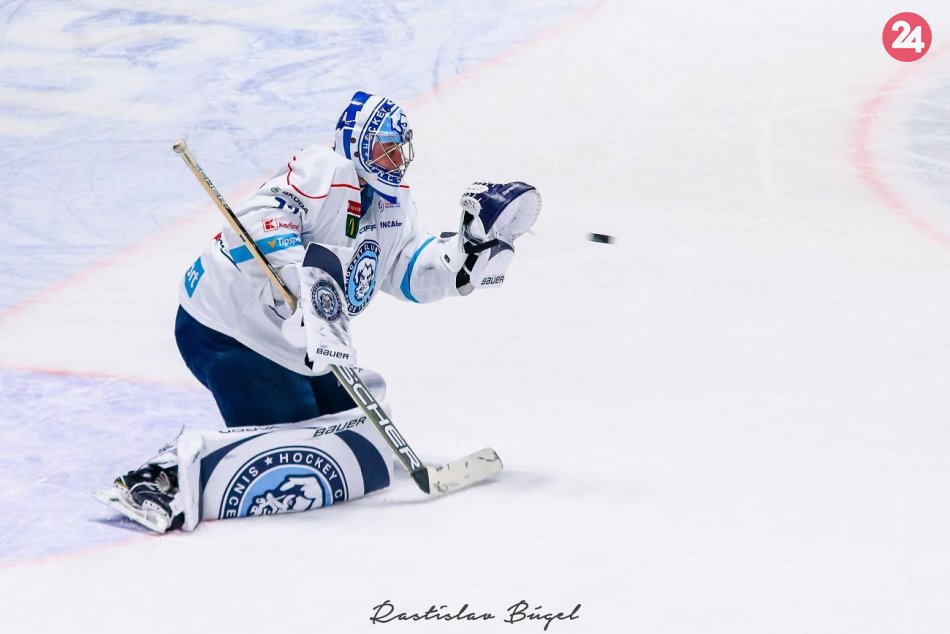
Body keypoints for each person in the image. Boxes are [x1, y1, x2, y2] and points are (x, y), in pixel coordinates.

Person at [95, 90, 542, 532]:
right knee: (297, 448)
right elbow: (257, 218)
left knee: (354, 434)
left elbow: (405, 266)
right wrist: (299, 278)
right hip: (227, 330)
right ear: (355, 145)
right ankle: (161, 478)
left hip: (296, 340)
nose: (393, 160)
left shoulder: (394, 205)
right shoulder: (324, 169)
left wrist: (462, 256)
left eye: (398, 150)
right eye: (383, 149)